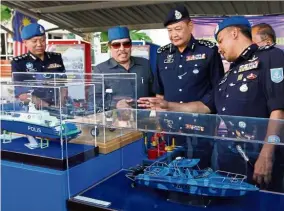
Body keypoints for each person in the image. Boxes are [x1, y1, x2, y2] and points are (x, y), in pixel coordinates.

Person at [139, 16, 284, 189]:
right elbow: (206, 106)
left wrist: (267, 153)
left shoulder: (269, 57)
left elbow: (278, 110)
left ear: (235, 33)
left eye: (221, 41)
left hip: (263, 155)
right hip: (235, 156)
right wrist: (168, 106)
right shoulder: (229, 76)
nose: (219, 48)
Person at [139, 5, 224, 168]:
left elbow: (218, 89)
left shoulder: (208, 51)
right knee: (171, 167)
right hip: (171, 127)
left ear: (190, 26)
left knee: (201, 168)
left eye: (178, 28)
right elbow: (160, 93)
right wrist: (158, 124)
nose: (173, 34)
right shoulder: (162, 55)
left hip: (201, 126)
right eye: (169, 30)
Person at [94, 26, 154, 110]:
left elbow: (154, 92)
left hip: (143, 119)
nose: (122, 49)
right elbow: (94, 100)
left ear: (131, 45)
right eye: (116, 45)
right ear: (110, 47)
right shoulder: (101, 70)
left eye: (126, 44)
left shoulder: (144, 64)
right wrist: (115, 104)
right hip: (116, 120)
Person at [11, 23, 66, 107]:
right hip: (34, 111)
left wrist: (60, 106)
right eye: (34, 41)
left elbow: (63, 85)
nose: (39, 44)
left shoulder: (56, 58)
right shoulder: (19, 63)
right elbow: (21, 94)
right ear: (25, 43)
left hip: (59, 107)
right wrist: (48, 107)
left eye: (43, 40)